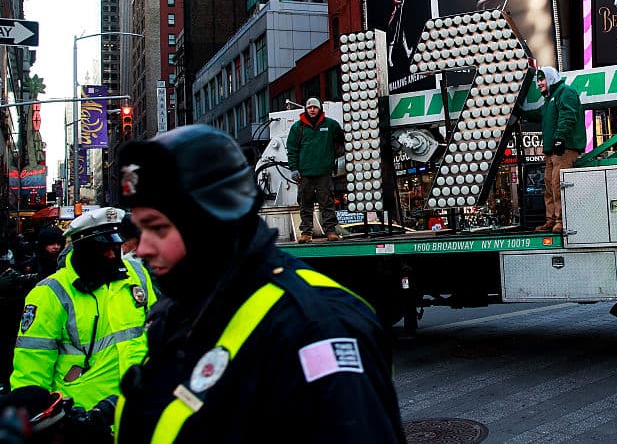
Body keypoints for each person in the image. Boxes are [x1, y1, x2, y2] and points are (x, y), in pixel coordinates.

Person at [114, 124, 404, 443]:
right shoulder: (181, 311)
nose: (142, 248)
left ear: (210, 223)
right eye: (140, 230)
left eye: (158, 228)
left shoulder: (318, 328)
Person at [10, 208, 153, 412]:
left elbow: (156, 331)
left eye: (116, 246)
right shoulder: (50, 293)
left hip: (138, 407)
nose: (113, 254)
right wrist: (33, 419)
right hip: (82, 417)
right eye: (104, 248)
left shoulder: (136, 274)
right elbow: (32, 367)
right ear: (83, 249)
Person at [519, 67, 586, 234]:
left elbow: (568, 115)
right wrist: (522, 113)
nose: (539, 83)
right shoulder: (549, 100)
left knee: (558, 184)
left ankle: (562, 220)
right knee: (549, 185)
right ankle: (551, 220)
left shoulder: (566, 92)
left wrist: (559, 138)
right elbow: (540, 114)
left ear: (551, 78)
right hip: (552, 152)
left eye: (542, 79)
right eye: (538, 81)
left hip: (564, 149)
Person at [287, 98, 344, 243]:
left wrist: (335, 156)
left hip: (324, 172)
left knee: (327, 203)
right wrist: (294, 168)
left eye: (315, 107)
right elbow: (292, 150)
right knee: (305, 204)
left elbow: (342, 139)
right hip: (304, 174)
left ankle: (330, 231)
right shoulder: (297, 127)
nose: (312, 110)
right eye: (309, 107)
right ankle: (306, 233)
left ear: (319, 109)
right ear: (306, 109)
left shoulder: (331, 125)